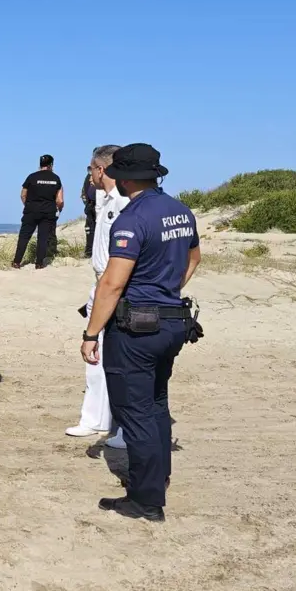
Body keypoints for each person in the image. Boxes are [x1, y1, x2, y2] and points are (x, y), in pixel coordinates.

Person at [82, 143, 201, 522]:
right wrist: (168, 290)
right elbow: (194, 257)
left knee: (134, 411)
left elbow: (112, 283)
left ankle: (146, 498)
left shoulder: (132, 218)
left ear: (125, 178)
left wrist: (91, 333)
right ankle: (158, 477)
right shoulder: (180, 211)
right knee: (156, 403)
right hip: (172, 321)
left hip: (138, 327)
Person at [66, 145, 129, 449]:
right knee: (95, 357)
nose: (89, 174)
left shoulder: (125, 201)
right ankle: (94, 419)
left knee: (122, 359)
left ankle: (126, 428)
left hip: (116, 285)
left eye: (91, 169)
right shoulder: (103, 198)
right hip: (100, 284)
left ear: (100, 169)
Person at [12, 154, 64, 269]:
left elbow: (23, 194)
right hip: (48, 212)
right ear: (51, 165)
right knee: (43, 237)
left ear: (40, 164)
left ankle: (16, 262)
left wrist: (28, 205)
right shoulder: (56, 178)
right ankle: (39, 263)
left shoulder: (31, 177)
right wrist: (59, 210)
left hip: (31, 211)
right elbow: (60, 200)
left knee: (24, 236)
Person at [82, 170, 98, 257]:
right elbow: (84, 192)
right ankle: (89, 251)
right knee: (89, 230)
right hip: (90, 207)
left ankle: (94, 251)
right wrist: (87, 204)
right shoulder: (88, 176)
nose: (90, 180)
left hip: (98, 207)